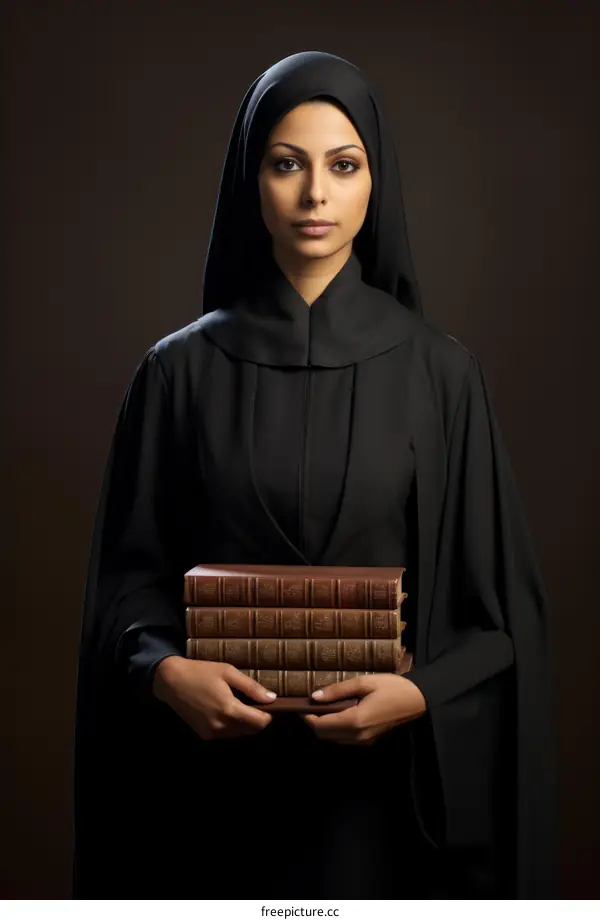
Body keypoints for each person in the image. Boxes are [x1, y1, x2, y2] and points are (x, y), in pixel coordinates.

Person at [73, 50, 558, 898]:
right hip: (207, 802)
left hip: (384, 809)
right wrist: (162, 670)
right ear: (251, 178)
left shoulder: (441, 375)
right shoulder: (178, 373)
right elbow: (125, 586)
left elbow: (500, 620)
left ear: (377, 181)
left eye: (344, 165)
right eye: (286, 163)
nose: (315, 196)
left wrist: (417, 696)